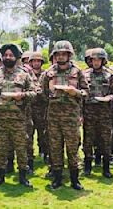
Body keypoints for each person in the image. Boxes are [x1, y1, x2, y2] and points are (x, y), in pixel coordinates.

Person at [0, 43, 36, 188]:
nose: (8, 57)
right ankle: (0, 177)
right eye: (6, 55)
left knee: (21, 149)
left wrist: (22, 95)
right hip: (0, 120)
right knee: (0, 149)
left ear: (16, 57)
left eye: (11, 55)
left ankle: (23, 177)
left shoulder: (24, 75)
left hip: (19, 120)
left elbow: (34, 93)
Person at [41, 40, 89, 190]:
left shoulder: (77, 72)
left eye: (64, 54)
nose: (61, 57)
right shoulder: (48, 73)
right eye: (58, 54)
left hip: (71, 117)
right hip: (54, 117)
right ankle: (57, 178)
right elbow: (42, 93)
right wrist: (50, 94)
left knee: (72, 148)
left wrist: (76, 92)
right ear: (55, 56)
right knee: (55, 148)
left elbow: (86, 92)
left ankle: (75, 179)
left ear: (69, 55)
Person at [82, 48, 113, 178]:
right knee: (88, 139)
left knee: (105, 140)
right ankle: (87, 166)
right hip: (89, 111)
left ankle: (106, 168)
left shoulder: (110, 75)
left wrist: (110, 98)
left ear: (103, 60)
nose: (96, 62)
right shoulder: (84, 74)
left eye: (98, 59)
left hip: (104, 112)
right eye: (93, 60)